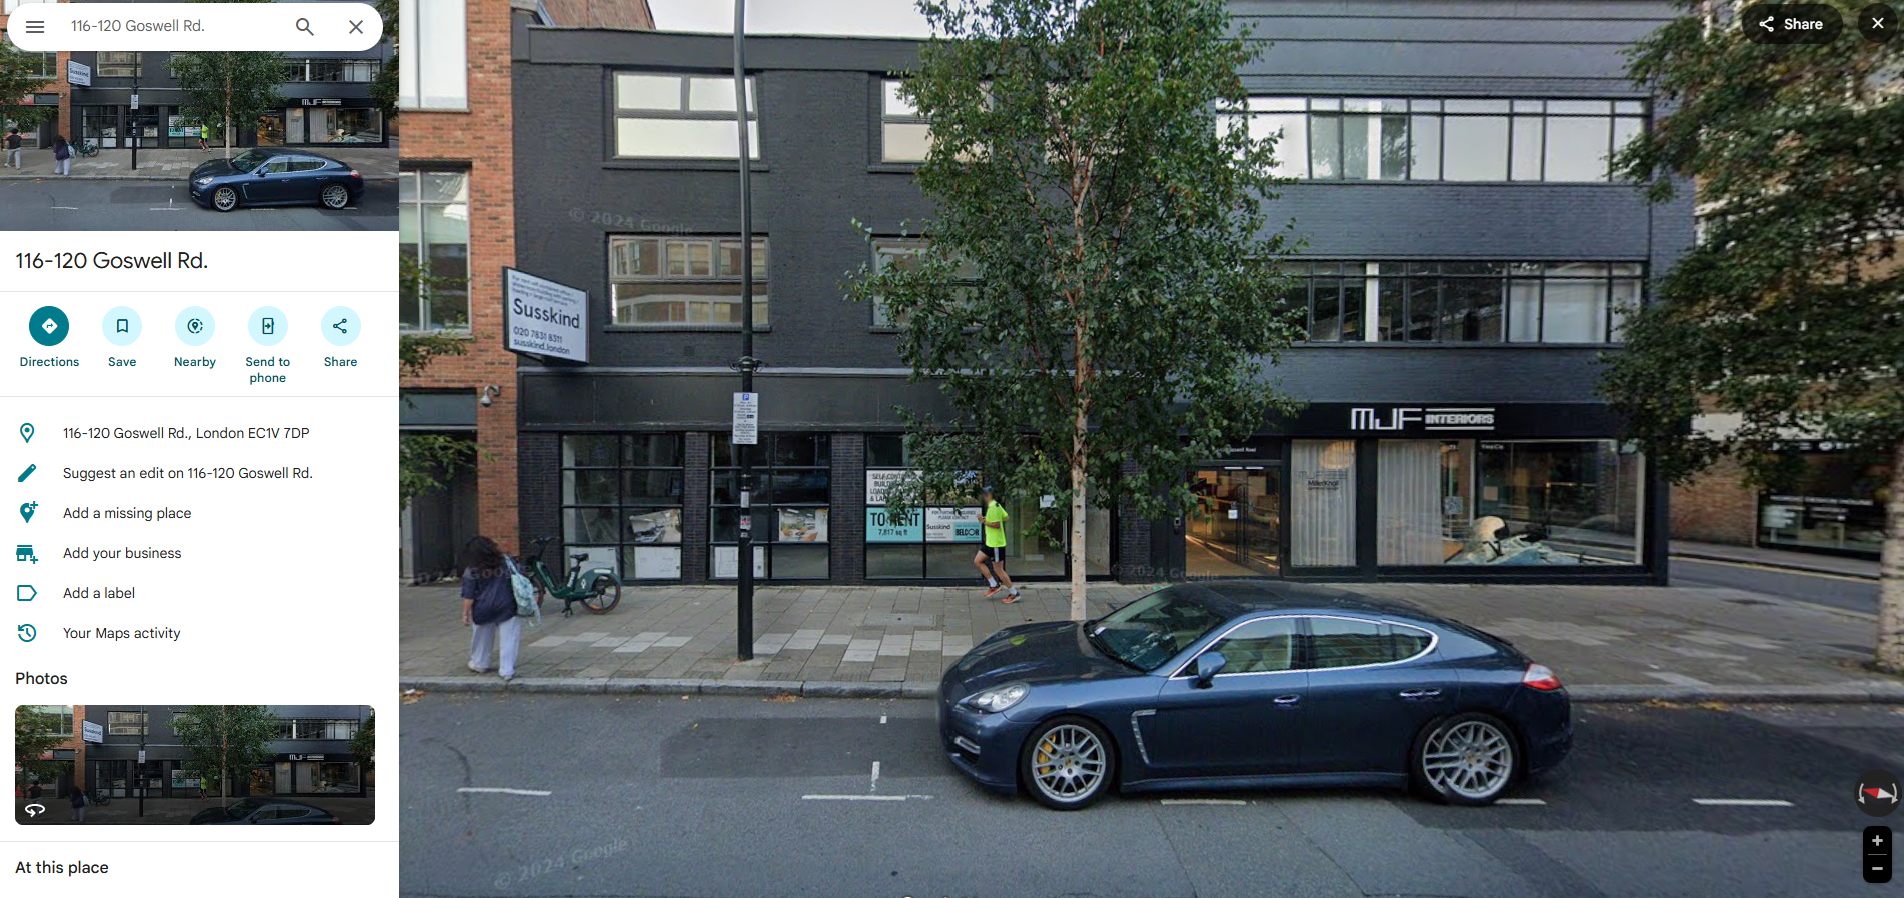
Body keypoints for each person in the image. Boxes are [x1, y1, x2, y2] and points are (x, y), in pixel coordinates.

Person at [460, 535, 521, 681]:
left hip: (483, 607)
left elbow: (468, 595)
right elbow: (520, 574)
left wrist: (465, 614)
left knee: (481, 637)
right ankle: (507, 670)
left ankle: (480, 663)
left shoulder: (472, 569)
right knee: (509, 638)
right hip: (507, 604)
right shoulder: (507, 562)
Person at [972, 485, 1019, 603]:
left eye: (984, 494)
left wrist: (984, 522)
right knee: (978, 561)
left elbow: (997, 525)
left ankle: (1014, 593)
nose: (983, 497)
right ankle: (994, 585)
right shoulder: (996, 506)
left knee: (999, 570)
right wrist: (988, 520)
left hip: (996, 544)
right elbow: (1006, 517)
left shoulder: (994, 507)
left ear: (989, 495)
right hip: (990, 542)